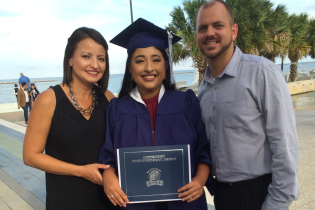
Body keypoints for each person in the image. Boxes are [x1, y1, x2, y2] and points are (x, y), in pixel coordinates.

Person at [195, 1, 300, 210]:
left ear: (233, 31)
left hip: (259, 195)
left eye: (218, 25)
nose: (210, 33)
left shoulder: (262, 73)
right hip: (223, 196)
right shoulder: (204, 89)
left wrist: (275, 203)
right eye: (202, 28)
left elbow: (285, 144)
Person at [99, 18, 211, 210]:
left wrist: (200, 180)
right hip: (133, 204)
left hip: (185, 202)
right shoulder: (117, 109)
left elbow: (203, 149)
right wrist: (108, 177)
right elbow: (107, 156)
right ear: (130, 68)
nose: (149, 68)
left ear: (166, 67)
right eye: (140, 61)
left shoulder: (186, 102)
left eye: (156, 60)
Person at [23, 27, 117, 210]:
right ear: (70, 59)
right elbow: (30, 156)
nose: (95, 65)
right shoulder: (49, 99)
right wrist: (82, 171)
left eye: (101, 58)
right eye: (86, 56)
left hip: (107, 200)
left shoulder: (108, 98)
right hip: (66, 199)